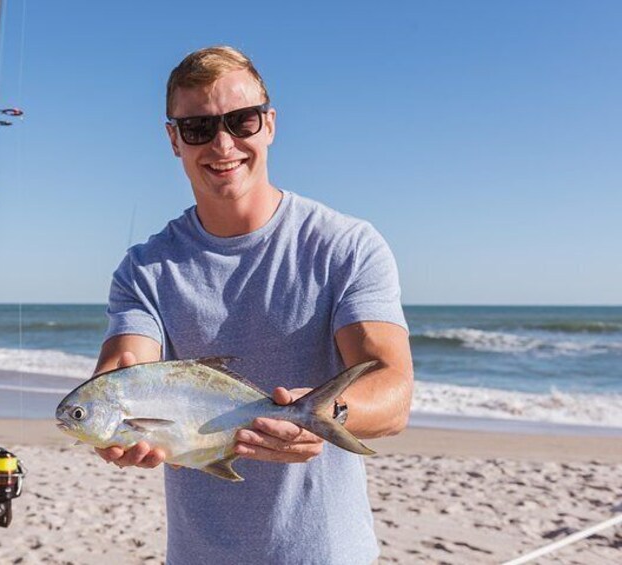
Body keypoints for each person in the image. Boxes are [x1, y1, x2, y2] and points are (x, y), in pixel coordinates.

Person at [93, 46, 413, 565]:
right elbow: (126, 366)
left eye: (241, 121)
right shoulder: (145, 267)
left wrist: (321, 414)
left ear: (269, 125)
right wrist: (112, 421)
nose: (222, 144)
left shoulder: (346, 245)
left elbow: (394, 391)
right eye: (198, 127)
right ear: (173, 139)